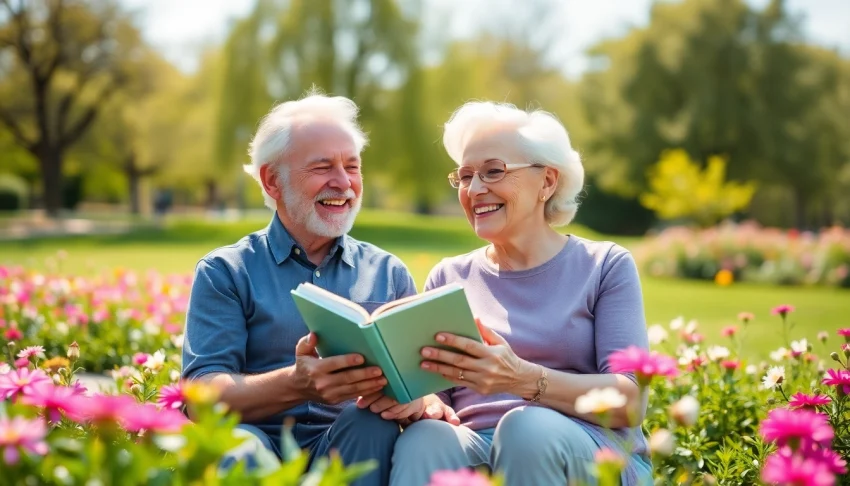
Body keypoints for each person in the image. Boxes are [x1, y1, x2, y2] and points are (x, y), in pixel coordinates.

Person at [388, 101, 653, 485]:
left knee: (525, 431)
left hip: (589, 450)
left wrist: (520, 378)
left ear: (547, 182)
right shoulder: (448, 276)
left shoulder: (604, 265)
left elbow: (630, 401)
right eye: (465, 176)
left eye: (493, 171)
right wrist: (424, 401)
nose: (475, 189)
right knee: (423, 439)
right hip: (476, 445)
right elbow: (437, 398)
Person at [181, 90, 426, 486]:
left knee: (372, 425)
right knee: (237, 447)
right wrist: (298, 384)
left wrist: (416, 396)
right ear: (272, 180)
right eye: (323, 167)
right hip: (256, 439)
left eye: (352, 166)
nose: (344, 183)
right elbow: (201, 396)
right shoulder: (225, 271)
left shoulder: (388, 272)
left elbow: (416, 382)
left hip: (350, 445)